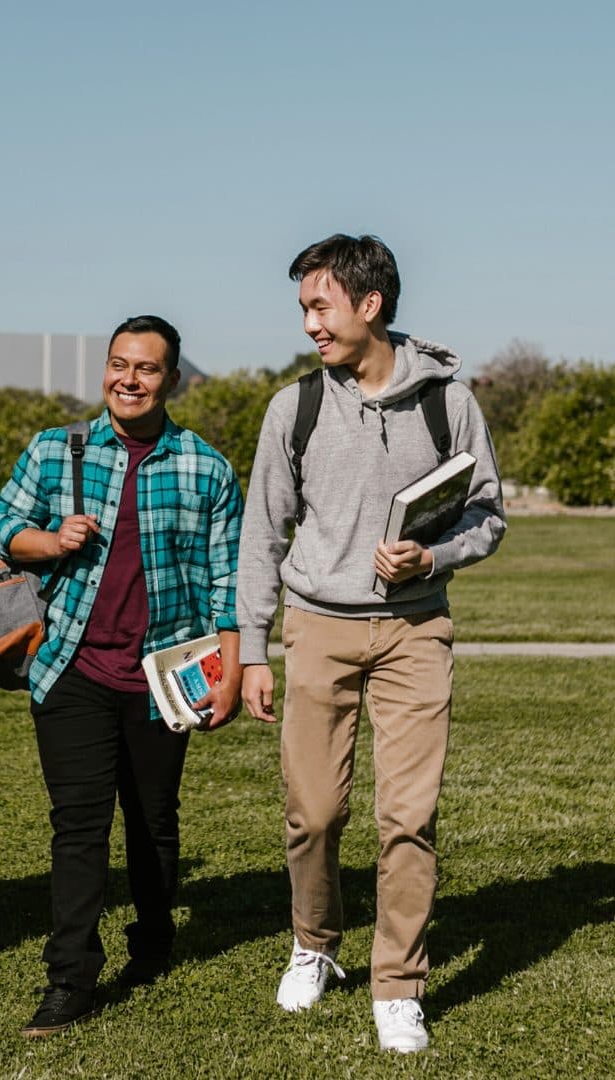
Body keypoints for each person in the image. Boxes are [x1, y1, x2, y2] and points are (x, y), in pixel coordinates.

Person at [238, 235, 506, 1053]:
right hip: (318, 628)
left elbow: (487, 514)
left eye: (320, 307)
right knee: (313, 813)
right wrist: (253, 645)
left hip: (417, 631)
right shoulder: (296, 406)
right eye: (304, 310)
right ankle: (315, 944)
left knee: (408, 816)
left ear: (369, 305)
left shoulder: (448, 402)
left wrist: (435, 553)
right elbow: (264, 531)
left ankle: (399, 984)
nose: (310, 324)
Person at [0, 314, 244, 1037]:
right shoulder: (54, 450)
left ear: (173, 380)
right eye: (119, 364)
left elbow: (229, 582)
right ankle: (70, 978)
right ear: (105, 370)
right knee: (79, 826)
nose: (129, 379)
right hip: (72, 666)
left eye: (147, 368)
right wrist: (50, 538)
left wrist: (230, 670)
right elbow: (2, 523)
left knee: (154, 820)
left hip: (168, 675)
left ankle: (155, 940)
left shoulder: (206, 467)